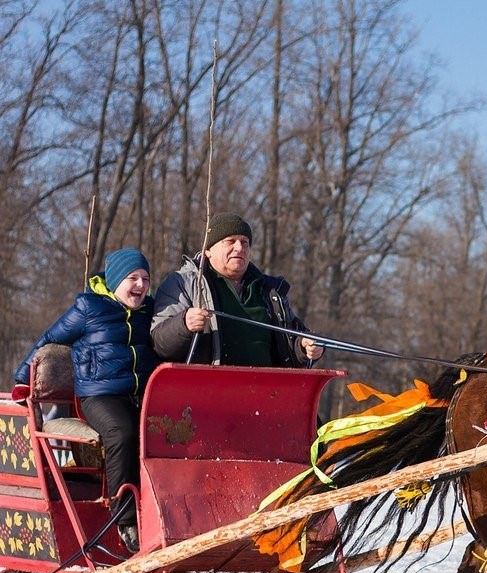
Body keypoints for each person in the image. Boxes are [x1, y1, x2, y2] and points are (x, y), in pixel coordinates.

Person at [13, 248, 158, 551]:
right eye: (133, 278)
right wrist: (22, 380)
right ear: (116, 280)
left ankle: (160, 516)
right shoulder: (90, 307)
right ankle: (125, 519)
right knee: (122, 432)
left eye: (145, 278)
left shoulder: (149, 312)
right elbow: (49, 339)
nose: (141, 285)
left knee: (161, 434)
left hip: (138, 393)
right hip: (98, 395)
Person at [150, 212, 324, 366]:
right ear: (208, 250)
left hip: (266, 394)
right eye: (230, 241)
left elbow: (290, 340)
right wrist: (184, 324)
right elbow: (159, 344)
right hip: (206, 393)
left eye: (245, 242)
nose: (239, 248)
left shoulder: (270, 291)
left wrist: (305, 347)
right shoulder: (183, 283)